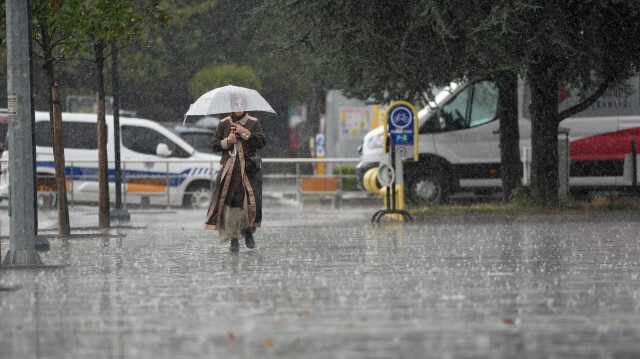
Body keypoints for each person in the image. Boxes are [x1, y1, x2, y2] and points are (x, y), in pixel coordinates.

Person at [204, 95, 266, 252]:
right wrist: (228, 140)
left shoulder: (253, 122)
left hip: (249, 171)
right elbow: (214, 145)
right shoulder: (224, 123)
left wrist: (244, 132)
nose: (239, 107)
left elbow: (261, 142)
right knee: (231, 204)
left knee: (250, 203)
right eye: (236, 104)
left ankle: (247, 231)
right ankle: (233, 239)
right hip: (230, 172)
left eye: (242, 104)